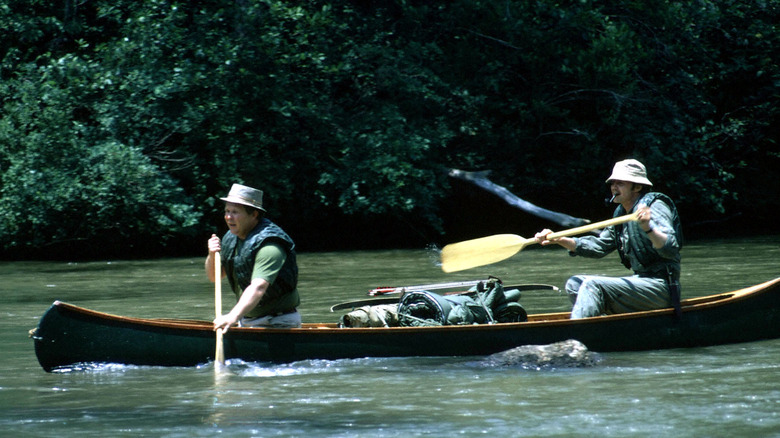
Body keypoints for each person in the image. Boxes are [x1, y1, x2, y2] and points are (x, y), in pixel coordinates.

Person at [534, 159, 682, 319]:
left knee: (592, 285)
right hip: (640, 281)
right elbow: (598, 246)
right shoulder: (621, 213)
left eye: (620, 183)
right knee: (575, 283)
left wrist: (647, 227)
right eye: (612, 183)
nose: (613, 187)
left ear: (637, 187)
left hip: (662, 287)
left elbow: (669, 248)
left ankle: (576, 334)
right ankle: (598, 326)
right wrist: (559, 239)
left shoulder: (655, 206)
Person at [206, 183, 301, 331]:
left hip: (277, 322)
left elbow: (258, 287)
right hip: (246, 320)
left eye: (235, 212)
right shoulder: (230, 238)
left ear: (254, 214)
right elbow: (214, 277)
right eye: (227, 211)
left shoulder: (270, 244)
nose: (228, 217)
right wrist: (212, 255)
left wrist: (232, 316)